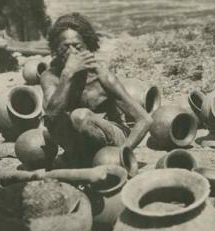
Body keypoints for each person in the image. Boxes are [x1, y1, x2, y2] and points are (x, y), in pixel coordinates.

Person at [41, 12, 153, 169]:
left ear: (88, 47)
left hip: (112, 136)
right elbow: (51, 114)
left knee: (80, 116)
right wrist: (68, 74)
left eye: (78, 47)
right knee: (52, 124)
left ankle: (87, 158)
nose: (72, 52)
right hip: (79, 139)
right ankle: (80, 157)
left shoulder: (102, 76)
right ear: (56, 49)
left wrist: (123, 153)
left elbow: (144, 119)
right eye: (65, 47)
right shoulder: (51, 76)